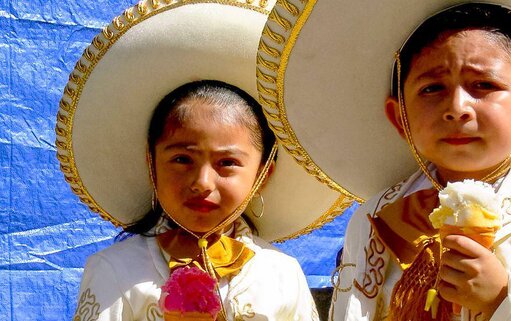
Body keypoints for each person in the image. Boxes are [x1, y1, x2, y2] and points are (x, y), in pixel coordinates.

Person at [252, 0, 511, 320]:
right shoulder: (377, 216)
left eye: (483, 85)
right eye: (432, 89)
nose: (457, 107)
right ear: (400, 118)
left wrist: (505, 298)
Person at [56, 1, 347, 320]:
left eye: (227, 164)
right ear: (152, 164)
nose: (202, 183)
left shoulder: (281, 274)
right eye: (182, 159)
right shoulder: (115, 270)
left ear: (264, 174)